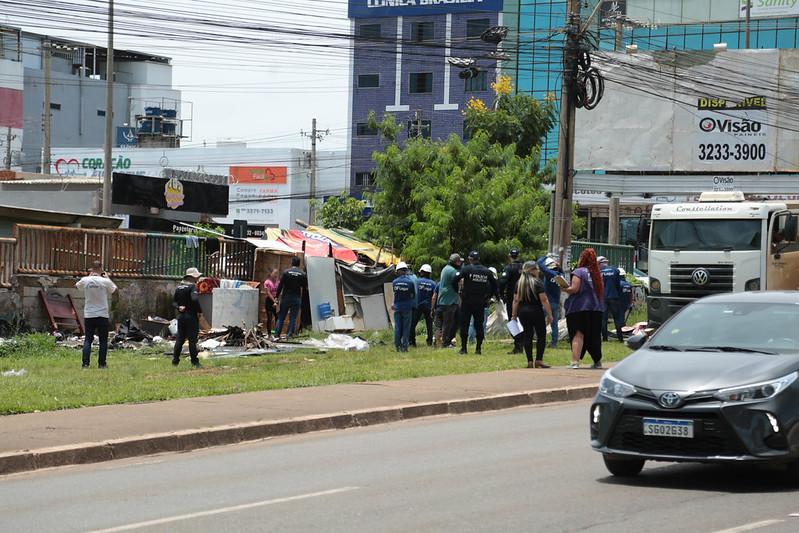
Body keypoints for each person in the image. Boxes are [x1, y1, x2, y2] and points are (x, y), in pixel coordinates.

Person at [563, 248, 604, 369]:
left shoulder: (579, 272)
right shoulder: (598, 274)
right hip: (596, 308)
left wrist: (564, 288)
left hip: (579, 308)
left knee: (578, 334)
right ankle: (597, 362)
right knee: (594, 335)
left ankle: (575, 362)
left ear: (583, 259)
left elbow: (574, 289)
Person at [452, 251, 499, 355]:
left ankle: (464, 348)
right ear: (479, 259)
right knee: (479, 325)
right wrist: (489, 296)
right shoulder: (486, 271)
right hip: (480, 301)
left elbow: (455, 279)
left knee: (465, 324)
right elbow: (495, 285)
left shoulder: (467, 269)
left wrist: (457, 291)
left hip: (467, 301)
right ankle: (478, 349)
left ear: (470, 259)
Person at [75, 260, 118, 369]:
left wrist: (89, 276)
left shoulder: (86, 280)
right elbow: (115, 290)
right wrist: (107, 277)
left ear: (91, 269)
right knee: (103, 340)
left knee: (88, 340)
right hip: (102, 314)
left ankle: (85, 364)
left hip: (89, 314)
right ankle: (102, 364)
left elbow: (77, 286)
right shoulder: (105, 281)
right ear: (101, 270)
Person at [511, 261, 553, 368]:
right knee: (541, 335)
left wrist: (514, 315)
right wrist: (550, 314)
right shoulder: (537, 282)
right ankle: (539, 359)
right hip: (535, 310)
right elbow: (544, 299)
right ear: (531, 270)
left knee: (527, 336)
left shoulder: (519, 283)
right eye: (536, 269)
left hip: (523, 312)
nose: (538, 271)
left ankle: (529, 361)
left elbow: (515, 301)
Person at [172, 267, 204, 367]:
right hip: (191, 316)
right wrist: (199, 311)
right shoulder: (192, 287)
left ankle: (175, 361)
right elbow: (194, 299)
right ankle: (195, 362)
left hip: (181, 316)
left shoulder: (179, 287)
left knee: (180, 339)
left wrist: (178, 307)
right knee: (192, 340)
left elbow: (174, 302)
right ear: (193, 278)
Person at [274, 256, 308, 340]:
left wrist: (276, 297)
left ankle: (277, 335)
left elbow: (280, 285)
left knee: (281, 317)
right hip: (296, 298)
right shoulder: (303, 274)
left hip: (286, 298)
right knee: (293, 318)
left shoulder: (286, 272)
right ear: (299, 264)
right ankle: (289, 335)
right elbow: (305, 288)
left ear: (291, 263)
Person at [499, 247, 525, 354]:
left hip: (512, 298)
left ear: (509, 256)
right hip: (525, 297)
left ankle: (518, 345)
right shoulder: (525, 267)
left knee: (513, 321)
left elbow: (502, 282)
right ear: (519, 255)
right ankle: (522, 343)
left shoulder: (508, 268)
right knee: (523, 321)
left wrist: (500, 294)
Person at [537, 254, 564, 347]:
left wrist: (545, 256)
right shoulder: (560, 276)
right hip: (556, 302)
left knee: (537, 320)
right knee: (554, 324)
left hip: (548, 302)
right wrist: (560, 268)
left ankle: (529, 336)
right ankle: (554, 342)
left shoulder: (549, 274)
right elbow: (562, 274)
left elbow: (539, 263)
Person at [436, 253, 462, 348]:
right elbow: (459, 283)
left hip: (447, 300)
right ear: (457, 262)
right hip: (449, 301)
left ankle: (448, 340)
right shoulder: (452, 271)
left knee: (454, 321)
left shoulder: (446, 268)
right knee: (448, 323)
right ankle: (446, 342)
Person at [598, 256, 624, 342]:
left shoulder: (598, 272)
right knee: (617, 318)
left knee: (603, 318)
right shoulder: (615, 270)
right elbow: (618, 284)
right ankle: (620, 338)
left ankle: (605, 338)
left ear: (599, 263)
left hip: (603, 297)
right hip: (614, 296)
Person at [392, 262, 415, 352]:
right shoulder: (410, 282)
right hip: (407, 307)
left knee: (398, 327)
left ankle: (397, 347)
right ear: (406, 271)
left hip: (397, 307)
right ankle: (404, 347)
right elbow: (412, 296)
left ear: (398, 271)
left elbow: (395, 294)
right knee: (406, 328)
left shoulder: (395, 282)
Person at [411, 264, 436, 347]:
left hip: (418, 306)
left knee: (413, 324)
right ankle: (429, 342)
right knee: (429, 325)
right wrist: (433, 308)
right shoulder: (433, 284)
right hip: (428, 306)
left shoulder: (417, 282)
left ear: (422, 272)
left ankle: (412, 341)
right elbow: (434, 296)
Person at [469, 266, 496, 344]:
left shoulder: (479, 281)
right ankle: (480, 339)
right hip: (484, 305)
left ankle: (471, 341)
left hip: (474, 304)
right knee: (482, 324)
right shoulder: (491, 284)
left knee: (472, 324)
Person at [263, 267, 279, 340]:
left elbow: (279, 292)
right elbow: (268, 292)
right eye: (274, 273)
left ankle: (276, 333)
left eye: (277, 273)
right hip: (269, 301)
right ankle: (269, 334)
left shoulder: (278, 282)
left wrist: (276, 301)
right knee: (269, 317)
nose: (276, 275)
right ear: (270, 274)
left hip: (276, 300)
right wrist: (273, 301)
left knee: (277, 317)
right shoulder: (267, 282)